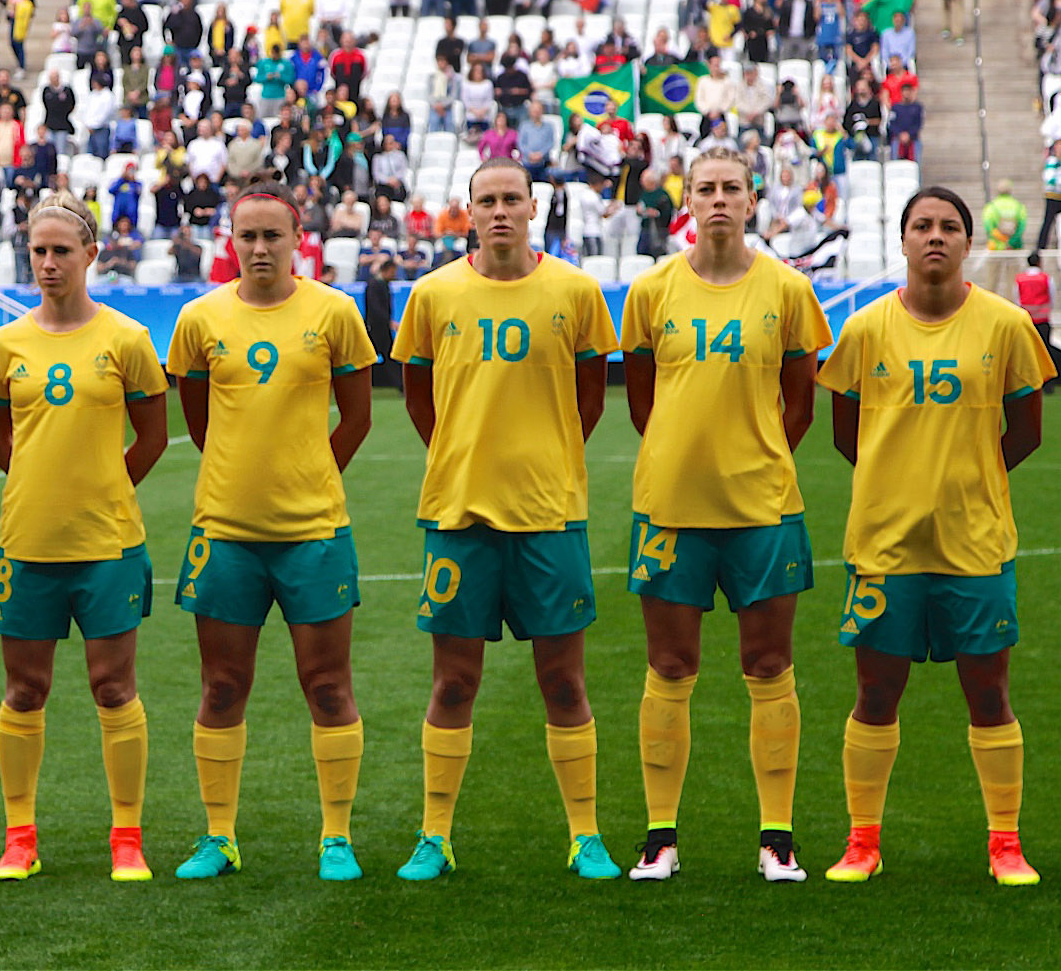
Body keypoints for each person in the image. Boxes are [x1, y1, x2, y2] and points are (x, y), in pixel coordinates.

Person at [388, 158, 621, 883]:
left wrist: (545, 457)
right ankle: (435, 835)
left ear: (532, 207)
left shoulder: (576, 290)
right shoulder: (432, 295)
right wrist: (464, 454)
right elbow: (419, 397)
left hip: (550, 515)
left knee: (563, 681)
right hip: (460, 514)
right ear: (467, 211)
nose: (498, 212)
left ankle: (584, 834)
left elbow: (590, 398)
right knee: (454, 682)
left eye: (510, 199)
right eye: (485, 201)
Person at [816, 187, 1053, 887]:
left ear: (969, 241)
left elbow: (1029, 430)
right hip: (886, 546)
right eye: (922, 225)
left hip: (975, 544)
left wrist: (970, 479)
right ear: (902, 239)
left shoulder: (1007, 325)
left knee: (988, 691)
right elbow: (844, 431)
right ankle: (862, 840)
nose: (936, 236)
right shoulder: (863, 330)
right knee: (876, 691)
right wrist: (900, 483)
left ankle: (1005, 841)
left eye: (950, 226)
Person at [618, 144, 832, 883]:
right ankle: (659, 836)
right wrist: (681, 453)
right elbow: (641, 397)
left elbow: (800, 399)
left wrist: (759, 453)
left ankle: (777, 836)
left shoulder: (787, 288)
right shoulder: (652, 291)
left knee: (768, 663)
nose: (717, 198)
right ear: (688, 198)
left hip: (763, 507)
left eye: (730, 187)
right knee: (670, 665)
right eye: (704, 187)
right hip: (671, 505)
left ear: (751, 199)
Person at [164, 180, 378, 882]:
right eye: (247, 235)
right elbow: (197, 420)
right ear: (231, 239)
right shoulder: (199, 318)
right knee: (222, 685)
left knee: (327, 685)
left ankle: (337, 835)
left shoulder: (335, 312)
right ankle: (218, 835)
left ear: (296, 239)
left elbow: (356, 418)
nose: (259, 247)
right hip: (224, 532)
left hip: (314, 531)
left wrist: (311, 471)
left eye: (272, 235)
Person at [0, 191, 171, 883]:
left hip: (109, 544)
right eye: (39, 251)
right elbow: (2, 438)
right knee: (24, 690)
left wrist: (104, 489)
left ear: (90, 253)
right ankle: (20, 837)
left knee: (114, 687)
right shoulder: (4, 345)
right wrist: (41, 483)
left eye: (62, 250)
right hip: (27, 543)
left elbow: (154, 436)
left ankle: (127, 836)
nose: (50, 262)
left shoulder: (127, 339)